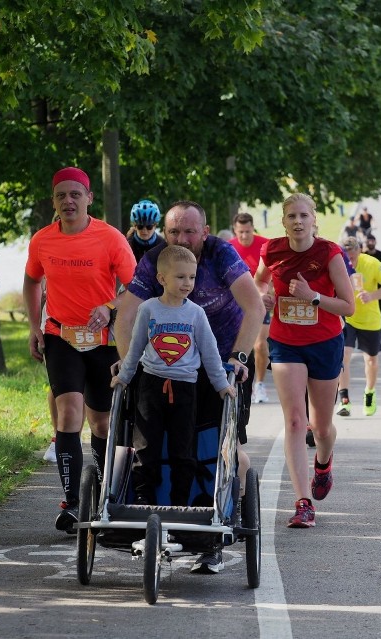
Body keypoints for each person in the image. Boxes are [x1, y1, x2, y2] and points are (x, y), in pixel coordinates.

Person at [117, 200, 265, 573]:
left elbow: (255, 308)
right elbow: (127, 314)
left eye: (189, 232)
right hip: (166, 369)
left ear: (205, 232)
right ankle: (144, 509)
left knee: (220, 447)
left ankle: (217, 530)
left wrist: (239, 358)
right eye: (174, 232)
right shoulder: (156, 259)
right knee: (152, 442)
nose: (181, 238)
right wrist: (127, 364)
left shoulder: (221, 254)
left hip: (220, 362)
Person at [23, 166, 137, 533]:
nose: (68, 201)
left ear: (89, 198)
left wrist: (109, 307)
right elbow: (31, 280)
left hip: (103, 339)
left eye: (75, 194)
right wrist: (33, 326)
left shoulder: (110, 237)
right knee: (67, 413)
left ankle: (105, 494)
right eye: (61, 196)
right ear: (54, 202)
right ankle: (72, 503)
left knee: (101, 421)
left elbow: (137, 287)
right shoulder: (42, 240)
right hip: (61, 336)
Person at [255, 193, 354, 528]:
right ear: (283, 221)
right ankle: (302, 503)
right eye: (291, 216)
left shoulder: (329, 253)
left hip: (325, 343)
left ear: (314, 219)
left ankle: (323, 464)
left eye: (303, 216)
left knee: (320, 427)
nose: (297, 222)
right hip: (286, 344)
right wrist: (264, 297)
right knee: (296, 422)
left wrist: (312, 297)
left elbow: (348, 307)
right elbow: (258, 285)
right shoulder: (271, 251)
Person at [111, 245, 237, 506]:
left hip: (185, 387)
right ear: (162, 279)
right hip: (150, 385)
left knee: (183, 450)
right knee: (146, 447)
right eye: (180, 277)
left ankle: (179, 500)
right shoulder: (148, 309)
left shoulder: (195, 313)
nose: (187, 283)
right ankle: (143, 497)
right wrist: (124, 377)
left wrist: (222, 385)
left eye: (192, 277)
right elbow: (135, 349)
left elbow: (210, 353)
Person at [336, 236, 381, 417]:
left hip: (370, 319)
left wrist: (372, 295)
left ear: (360, 251)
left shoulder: (372, 263)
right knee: (343, 356)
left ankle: (370, 392)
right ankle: (344, 399)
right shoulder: (337, 264)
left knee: (370, 360)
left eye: (353, 257)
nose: (350, 262)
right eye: (347, 258)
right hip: (347, 317)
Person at [229, 211, 271, 404]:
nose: (244, 236)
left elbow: (273, 276)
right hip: (236, 305)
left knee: (260, 344)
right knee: (236, 345)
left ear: (253, 228)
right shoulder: (229, 247)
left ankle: (260, 385)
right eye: (240, 232)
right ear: (235, 231)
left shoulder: (266, 245)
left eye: (247, 231)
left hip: (260, 303)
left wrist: (265, 293)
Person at [363, 234, 381, 316]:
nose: (371, 243)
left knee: (379, 306)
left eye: (372, 241)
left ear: (375, 242)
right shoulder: (362, 255)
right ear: (366, 242)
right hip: (366, 286)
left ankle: (379, 324)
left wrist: (379, 272)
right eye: (369, 241)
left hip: (379, 286)